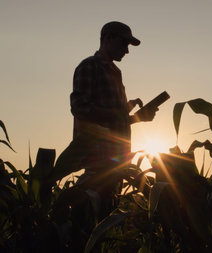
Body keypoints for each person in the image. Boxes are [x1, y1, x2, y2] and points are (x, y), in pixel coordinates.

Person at [55, 21, 157, 217]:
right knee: (89, 218)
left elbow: (116, 120)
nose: (127, 51)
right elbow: (79, 107)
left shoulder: (115, 73)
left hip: (116, 162)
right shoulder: (89, 66)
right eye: (124, 43)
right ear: (108, 38)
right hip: (98, 161)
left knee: (106, 220)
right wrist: (119, 114)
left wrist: (138, 118)